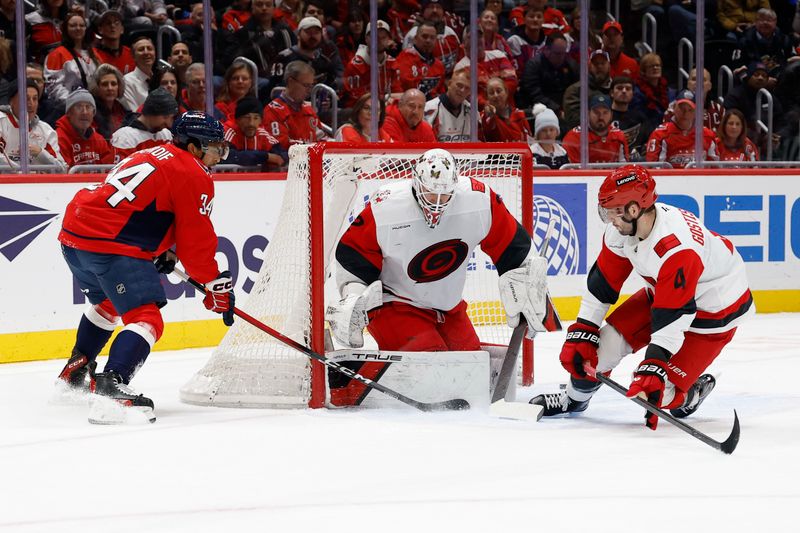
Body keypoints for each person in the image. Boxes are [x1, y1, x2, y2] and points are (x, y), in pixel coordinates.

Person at [530, 166, 754, 431]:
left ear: (634, 210)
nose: (609, 219)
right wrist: (585, 328)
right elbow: (603, 282)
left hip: (715, 310)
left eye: (613, 211)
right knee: (599, 351)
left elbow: (674, 314)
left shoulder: (677, 248)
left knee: (661, 391)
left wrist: (655, 363)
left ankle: (690, 394)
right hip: (665, 295)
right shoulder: (622, 228)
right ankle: (574, 400)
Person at [56, 111, 236, 422]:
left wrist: (161, 248)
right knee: (147, 318)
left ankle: (77, 368)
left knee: (108, 302)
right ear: (193, 147)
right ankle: (112, 385)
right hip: (109, 244)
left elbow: (140, 204)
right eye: (214, 146)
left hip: (74, 235)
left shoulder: (151, 152)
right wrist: (213, 282)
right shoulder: (194, 172)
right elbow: (196, 247)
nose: (219, 154)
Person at [327, 148, 549, 354]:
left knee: (470, 365)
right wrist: (354, 297)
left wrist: (528, 283)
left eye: (445, 195)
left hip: (449, 308)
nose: (437, 202)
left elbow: (512, 244)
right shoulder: (386, 206)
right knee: (431, 365)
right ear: (416, 182)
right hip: (395, 306)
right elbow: (354, 256)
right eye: (431, 193)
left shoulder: (478, 199)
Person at [0, 79, 66, 170]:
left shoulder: (46, 130)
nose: (31, 104)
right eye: (25, 99)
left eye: (35, 99)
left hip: (36, 184)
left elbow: (62, 170)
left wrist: (41, 154)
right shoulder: (2, 122)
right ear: (11, 102)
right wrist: (20, 172)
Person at [261, 60, 327, 150]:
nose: (309, 90)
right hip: (289, 162)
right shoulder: (273, 111)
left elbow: (322, 138)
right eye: (305, 85)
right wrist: (311, 147)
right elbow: (279, 145)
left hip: (311, 160)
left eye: (311, 86)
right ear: (291, 82)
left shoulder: (308, 110)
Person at [646, 89, 719, 169]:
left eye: (690, 109)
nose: (685, 113)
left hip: (699, 180)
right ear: (674, 108)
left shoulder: (707, 135)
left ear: (696, 112)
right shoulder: (660, 134)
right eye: (681, 108)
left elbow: (716, 168)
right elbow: (653, 169)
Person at [43, 12, 98, 105]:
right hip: (68, 107)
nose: (78, 28)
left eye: (82, 25)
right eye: (73, 25)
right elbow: (53, 88)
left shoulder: (94, 53)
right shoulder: (56, 54)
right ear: (65, 29)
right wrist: (74, 103)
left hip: (93, 105)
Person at [111, 87, 178, 161]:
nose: (169, 124)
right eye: (165, 117)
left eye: (171, 118)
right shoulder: (124, 137)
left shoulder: (166, 134)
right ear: (150, 112)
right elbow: (122, 171)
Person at [562, 94, 629, 164]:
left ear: (611, 115)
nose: (601, 117)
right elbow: (573, 171)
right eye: (596, 112)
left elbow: (624, 167)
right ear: (588, 113)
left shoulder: (618, 136)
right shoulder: (574, 137)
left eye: (605, 112)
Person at [56, 88, 114, 168]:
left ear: (94, 113)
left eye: (88, 107)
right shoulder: (59, 138)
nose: (85, 112)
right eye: (79, 107)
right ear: (68, 113)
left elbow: (109, 169)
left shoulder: (99, 140)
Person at [223, 96, 287, 167]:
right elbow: (227, 156)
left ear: (260, 121)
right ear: (238, 120)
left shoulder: (262, 135)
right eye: (247, 118)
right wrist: (266, 157)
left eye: (256, 118)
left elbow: (282, 155)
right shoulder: (228, 133)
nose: (251, 123)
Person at [394, 19, 447, 99]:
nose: (428, 40)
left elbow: (441, 93)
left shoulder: (439, 66)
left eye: (432, 37)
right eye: (424, 36)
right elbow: (403, 88)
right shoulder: (404, 58)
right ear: (415, 39)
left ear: (436, 40)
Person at [424, 70, 472, 142]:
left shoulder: (472, 111)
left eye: (467, 88)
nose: (462, 90)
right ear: (449, 84)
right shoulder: (429, 108)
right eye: (459, 85)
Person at [481, 76, 532, 143]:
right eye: (491, 93)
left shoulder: (519, 115)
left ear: (506, 92)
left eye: (499, 91)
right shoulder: (483, 117)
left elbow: (528, 141)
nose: (495, 95)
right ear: (487, 97)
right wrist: (489, 116)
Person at [89, 63, 132, 142]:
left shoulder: (122, 108)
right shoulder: (91, 111)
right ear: (97, 87)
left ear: (119, 86)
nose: (110, 88)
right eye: (105, 84)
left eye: (113, 84)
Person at [91, 10, 135, 75]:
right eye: (108, 23)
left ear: (122, 29)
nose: (112, 26)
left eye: (116, 23)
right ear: (100, 30)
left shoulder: (130, 54)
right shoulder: (93, 55)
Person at [529, 104, 568, 169]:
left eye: (551, 130)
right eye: (544, 130)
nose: (548, 133)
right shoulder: (532, 152)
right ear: (537, 133)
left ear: (557, 132)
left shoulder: (562, 152)